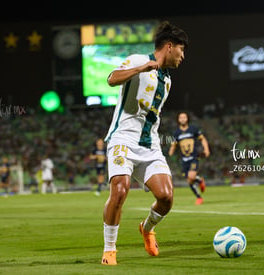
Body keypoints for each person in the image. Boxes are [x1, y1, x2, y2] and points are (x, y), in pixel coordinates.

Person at [100, 21, 188, 265]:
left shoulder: (167, 81)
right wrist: (140, 68)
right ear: (169, 46)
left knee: (167, 197)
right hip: (122, 140)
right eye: (182, 49)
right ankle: (109, 250)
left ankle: (147, 228)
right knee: (119, 191)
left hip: (149, 146)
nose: (183, 56)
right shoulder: (137, 59)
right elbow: (111, 78)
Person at [168, 111, 210, 204]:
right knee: (190, 181)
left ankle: (199, 181)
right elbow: (174, 144)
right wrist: (171, 152)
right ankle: (199, 195)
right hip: (184, 160)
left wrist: (206, 149)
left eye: (184, 117)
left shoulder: (193, 129)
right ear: (178, 120)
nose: (183, 119)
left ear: (187, 119)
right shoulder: (176, 133)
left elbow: (202, 139)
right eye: (181, 117)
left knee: (191, 176)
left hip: (193, 157)